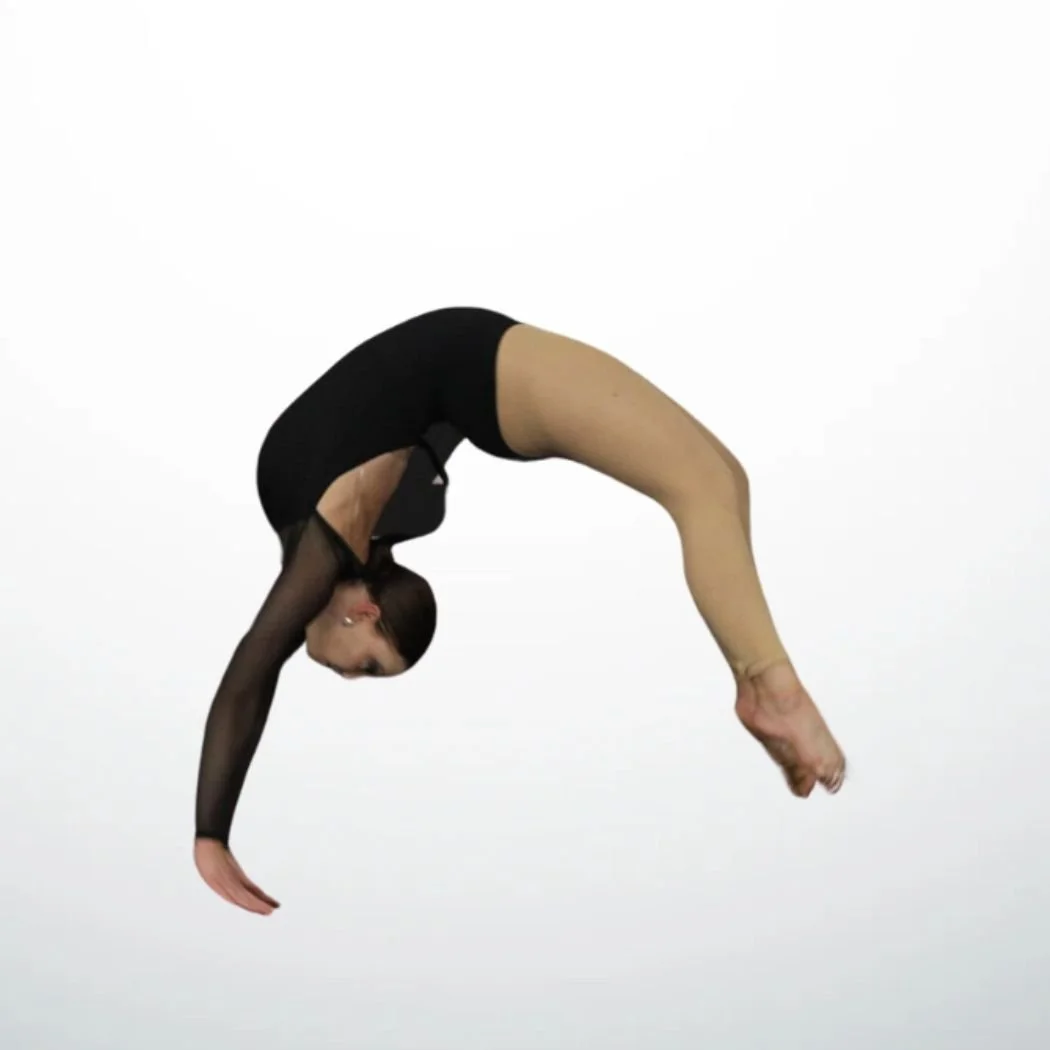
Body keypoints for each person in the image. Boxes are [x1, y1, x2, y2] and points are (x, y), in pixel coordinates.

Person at [193, 306, 847, 914]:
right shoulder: (366, 532)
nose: (345, 676)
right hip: (478, 378)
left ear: (360, 612)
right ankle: (762, 681)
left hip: (478, 364)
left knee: (718, 481)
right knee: (709, 480)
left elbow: (251, 673)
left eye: (366, 668)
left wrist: (211, 834)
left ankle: (767, 686)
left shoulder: (323, 551)